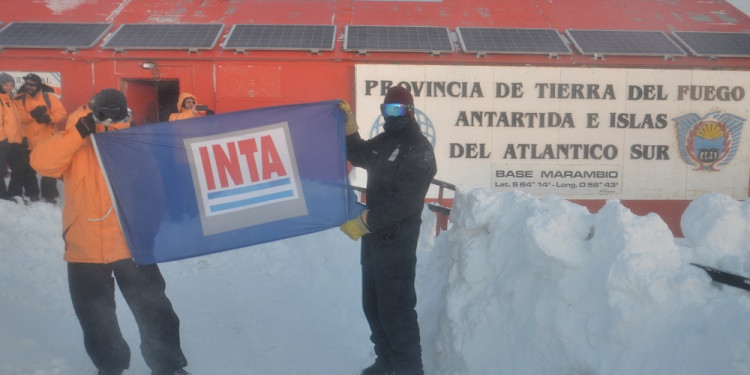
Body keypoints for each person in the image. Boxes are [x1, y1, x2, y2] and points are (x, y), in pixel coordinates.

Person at [30, 89, 190, 375]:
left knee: (154, 310)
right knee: (95, 317)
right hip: (84, 246)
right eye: (103, 110)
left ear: (125, 111)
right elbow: (41, 163)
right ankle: (110, 367)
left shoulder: (134, 140)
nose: (108, 116)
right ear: (90, 109)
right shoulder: (73, 139)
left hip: (130, 244)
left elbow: (154, 189)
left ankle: (168, 366)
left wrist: (147, 231)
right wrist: (79, 132)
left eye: (115, 111)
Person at [339, 86, 437, 375]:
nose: (392, 116)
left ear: (410, 111)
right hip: (373, 243)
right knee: (373, 305)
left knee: (397, 310)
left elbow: (405, 202)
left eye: (398, 110)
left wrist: (366, 221)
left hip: (398, 244)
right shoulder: (386, 141)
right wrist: (349, 129)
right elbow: (358, 154)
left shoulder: (419, 149)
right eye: (387, 110)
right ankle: (387, 361)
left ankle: (409, 368)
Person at [11, 73, 67, 203]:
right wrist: (32, 115)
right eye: (27, 84)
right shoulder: (19, 99)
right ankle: (32, 193)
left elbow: (62, 113)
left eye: (32, 84)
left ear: (39, 85)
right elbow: (16, 118)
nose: (29, 86)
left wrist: (49, 118)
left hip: (47, 141)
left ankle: (49, 195)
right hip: (27, 141)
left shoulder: (50, 98)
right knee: (28, 170)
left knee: (49, 169)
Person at [0, 72, 22, 200]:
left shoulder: (11, 100)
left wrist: (21, 137)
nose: (9, 87)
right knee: (1, 170)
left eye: (11, 85)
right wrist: (3, 140)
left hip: (14, 141)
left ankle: (14, 192)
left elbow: (16, 122)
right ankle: (2, 194)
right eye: (6, 84)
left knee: (19, 168)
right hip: (3, 141)